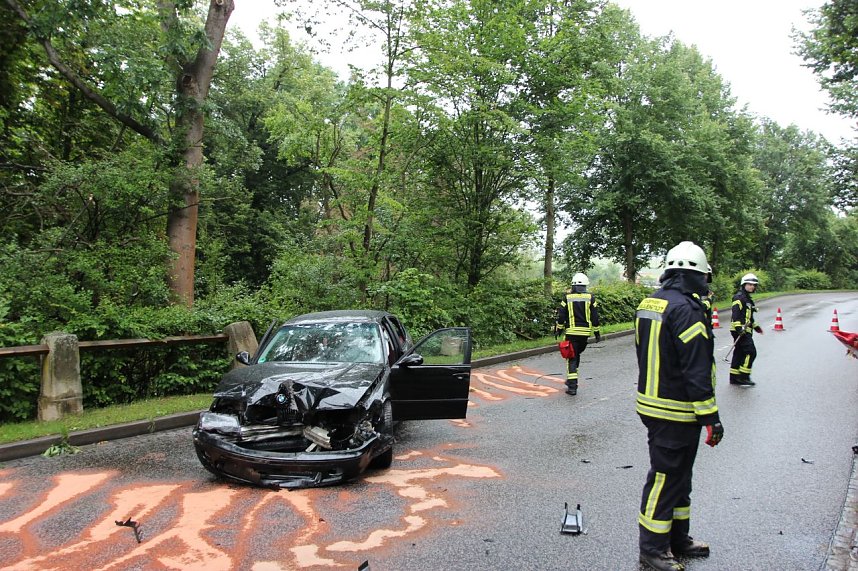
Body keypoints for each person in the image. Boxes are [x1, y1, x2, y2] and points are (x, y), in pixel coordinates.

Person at [634, 241, 722, 571]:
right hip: (676, 409)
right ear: (694, 275)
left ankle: (677, 538)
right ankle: (653, 550)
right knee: (666, 478)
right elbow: (696, 369)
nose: (706, 284)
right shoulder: (688, 309)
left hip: (653, 404)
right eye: (704, 278)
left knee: (680, 478)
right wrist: (711, 416)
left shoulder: (651, 302)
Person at [555, 272, 601, 396]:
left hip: (571, 333)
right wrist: (596, 332)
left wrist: (559, 329)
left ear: (573, 285)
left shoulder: (567, 298)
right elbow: (595, 316)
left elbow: (561, 315)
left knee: (572, 357)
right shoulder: (591, 298)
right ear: (585, 285)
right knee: (576, 355)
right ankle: (571, 380)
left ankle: (572, 386)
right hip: (585, 334)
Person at [729, 273, 763, 386]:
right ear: (744, 285)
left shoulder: (748, 299)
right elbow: (736, 314)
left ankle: (734, 378)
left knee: (739, 353)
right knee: (751, 352)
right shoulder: (739, 297)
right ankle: (744, 377)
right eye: (750, 284)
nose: (752, 287)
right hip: (739, 330)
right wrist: (739, 329)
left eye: (754, 285)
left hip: (745, 329)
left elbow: (749, 317)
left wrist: (756, 327)